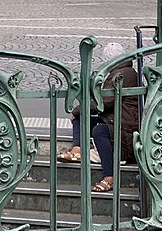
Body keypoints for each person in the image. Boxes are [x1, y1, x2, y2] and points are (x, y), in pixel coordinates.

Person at [56, 42, 140, 193]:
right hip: (115, 121)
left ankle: (109, 177)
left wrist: (76, 111)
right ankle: (77, 150)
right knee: (81, 120)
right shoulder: (122, 71)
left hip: (125, 131)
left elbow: (104, 102)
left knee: (99, 131)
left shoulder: (121, 75)